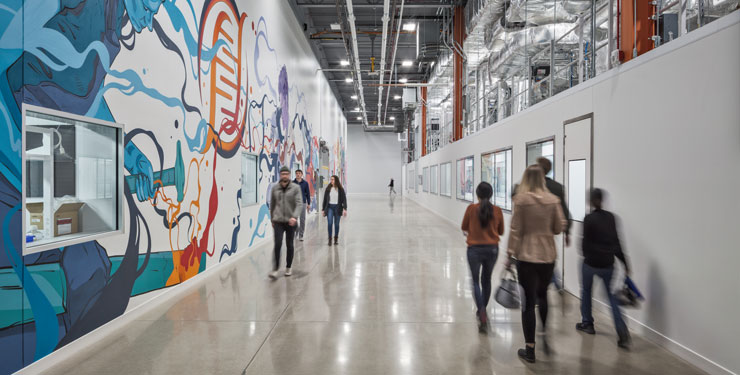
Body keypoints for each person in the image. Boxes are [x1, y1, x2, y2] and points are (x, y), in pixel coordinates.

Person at [507, 165, 566, 363]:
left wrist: (509, 255)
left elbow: (515, 231)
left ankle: (529, 349)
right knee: (543, 296)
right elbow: (558, 228)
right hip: (548, 256)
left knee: (528, 303)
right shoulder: (553, 200)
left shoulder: (521, 201)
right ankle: (545, 333)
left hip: (526, 257)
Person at [576, 188, 632, 349]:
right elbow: (617, 243)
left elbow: (584, 245)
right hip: (608, 264)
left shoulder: (588, 219)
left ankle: (587, 323)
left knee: (586, 292)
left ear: (591, 201)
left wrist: (587, 255)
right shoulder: (612, 218)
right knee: (612, 298)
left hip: (590, 263)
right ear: (602, 200)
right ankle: (622, 333)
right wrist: (625, 264)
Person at [461, 182, 505, 333]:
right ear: (491, 194)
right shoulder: (497, 210)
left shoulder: (471, 209)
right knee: (486, 280)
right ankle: (483, 310)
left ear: (477, 194)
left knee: (475, 281)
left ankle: (481, 311)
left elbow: (464, 227)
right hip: (492, 250)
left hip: (474, 250)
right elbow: (501, 231)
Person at [269, 166, 303, 279]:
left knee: (289, 244)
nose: (284, 176)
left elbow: (299, 204)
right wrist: (272, 218)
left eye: (286, 174)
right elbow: (272, 204)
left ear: (289, 175)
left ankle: (288, 267)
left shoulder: (295, 188)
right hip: (278, 220)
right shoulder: (275, 188)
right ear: (280, 175)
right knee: (277, 244)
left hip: (290, 222)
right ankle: (275, 269)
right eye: (282, 174)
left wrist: (294, 217)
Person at [322, 175, 347, 245]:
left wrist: (345, 208)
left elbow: (344, 199)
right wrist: (323, 209)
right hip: (330, 207)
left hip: (337, 208)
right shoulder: (328, 188)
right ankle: (330, 238)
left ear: (336, 180)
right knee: (329, 223)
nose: (331, 181)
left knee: (336, 224)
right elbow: (325, 199)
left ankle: (336, 238)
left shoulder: (340, 189)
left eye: (333, 179)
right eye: (331, 179)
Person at [293, 169, 311, 241]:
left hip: (303, 203)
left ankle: (301, 235)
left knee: (302, 219)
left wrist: (308, 203)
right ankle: (296, 230)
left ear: (301, 174)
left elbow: (308, 194)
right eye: (296, 173)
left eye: (299, 173)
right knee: (294, 219)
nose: (298, 174)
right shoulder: (292, 183)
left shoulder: (305, 183)